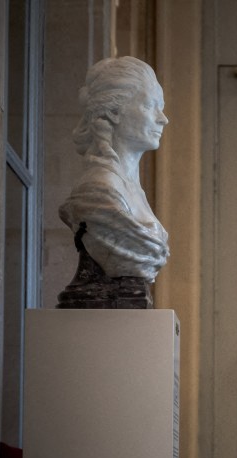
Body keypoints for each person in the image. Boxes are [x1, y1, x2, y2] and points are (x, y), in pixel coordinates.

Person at [57, 56, 170, 308]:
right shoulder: (98, 190)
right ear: (113, 111)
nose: (163, 118)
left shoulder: (130, 191)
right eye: (151, 105)